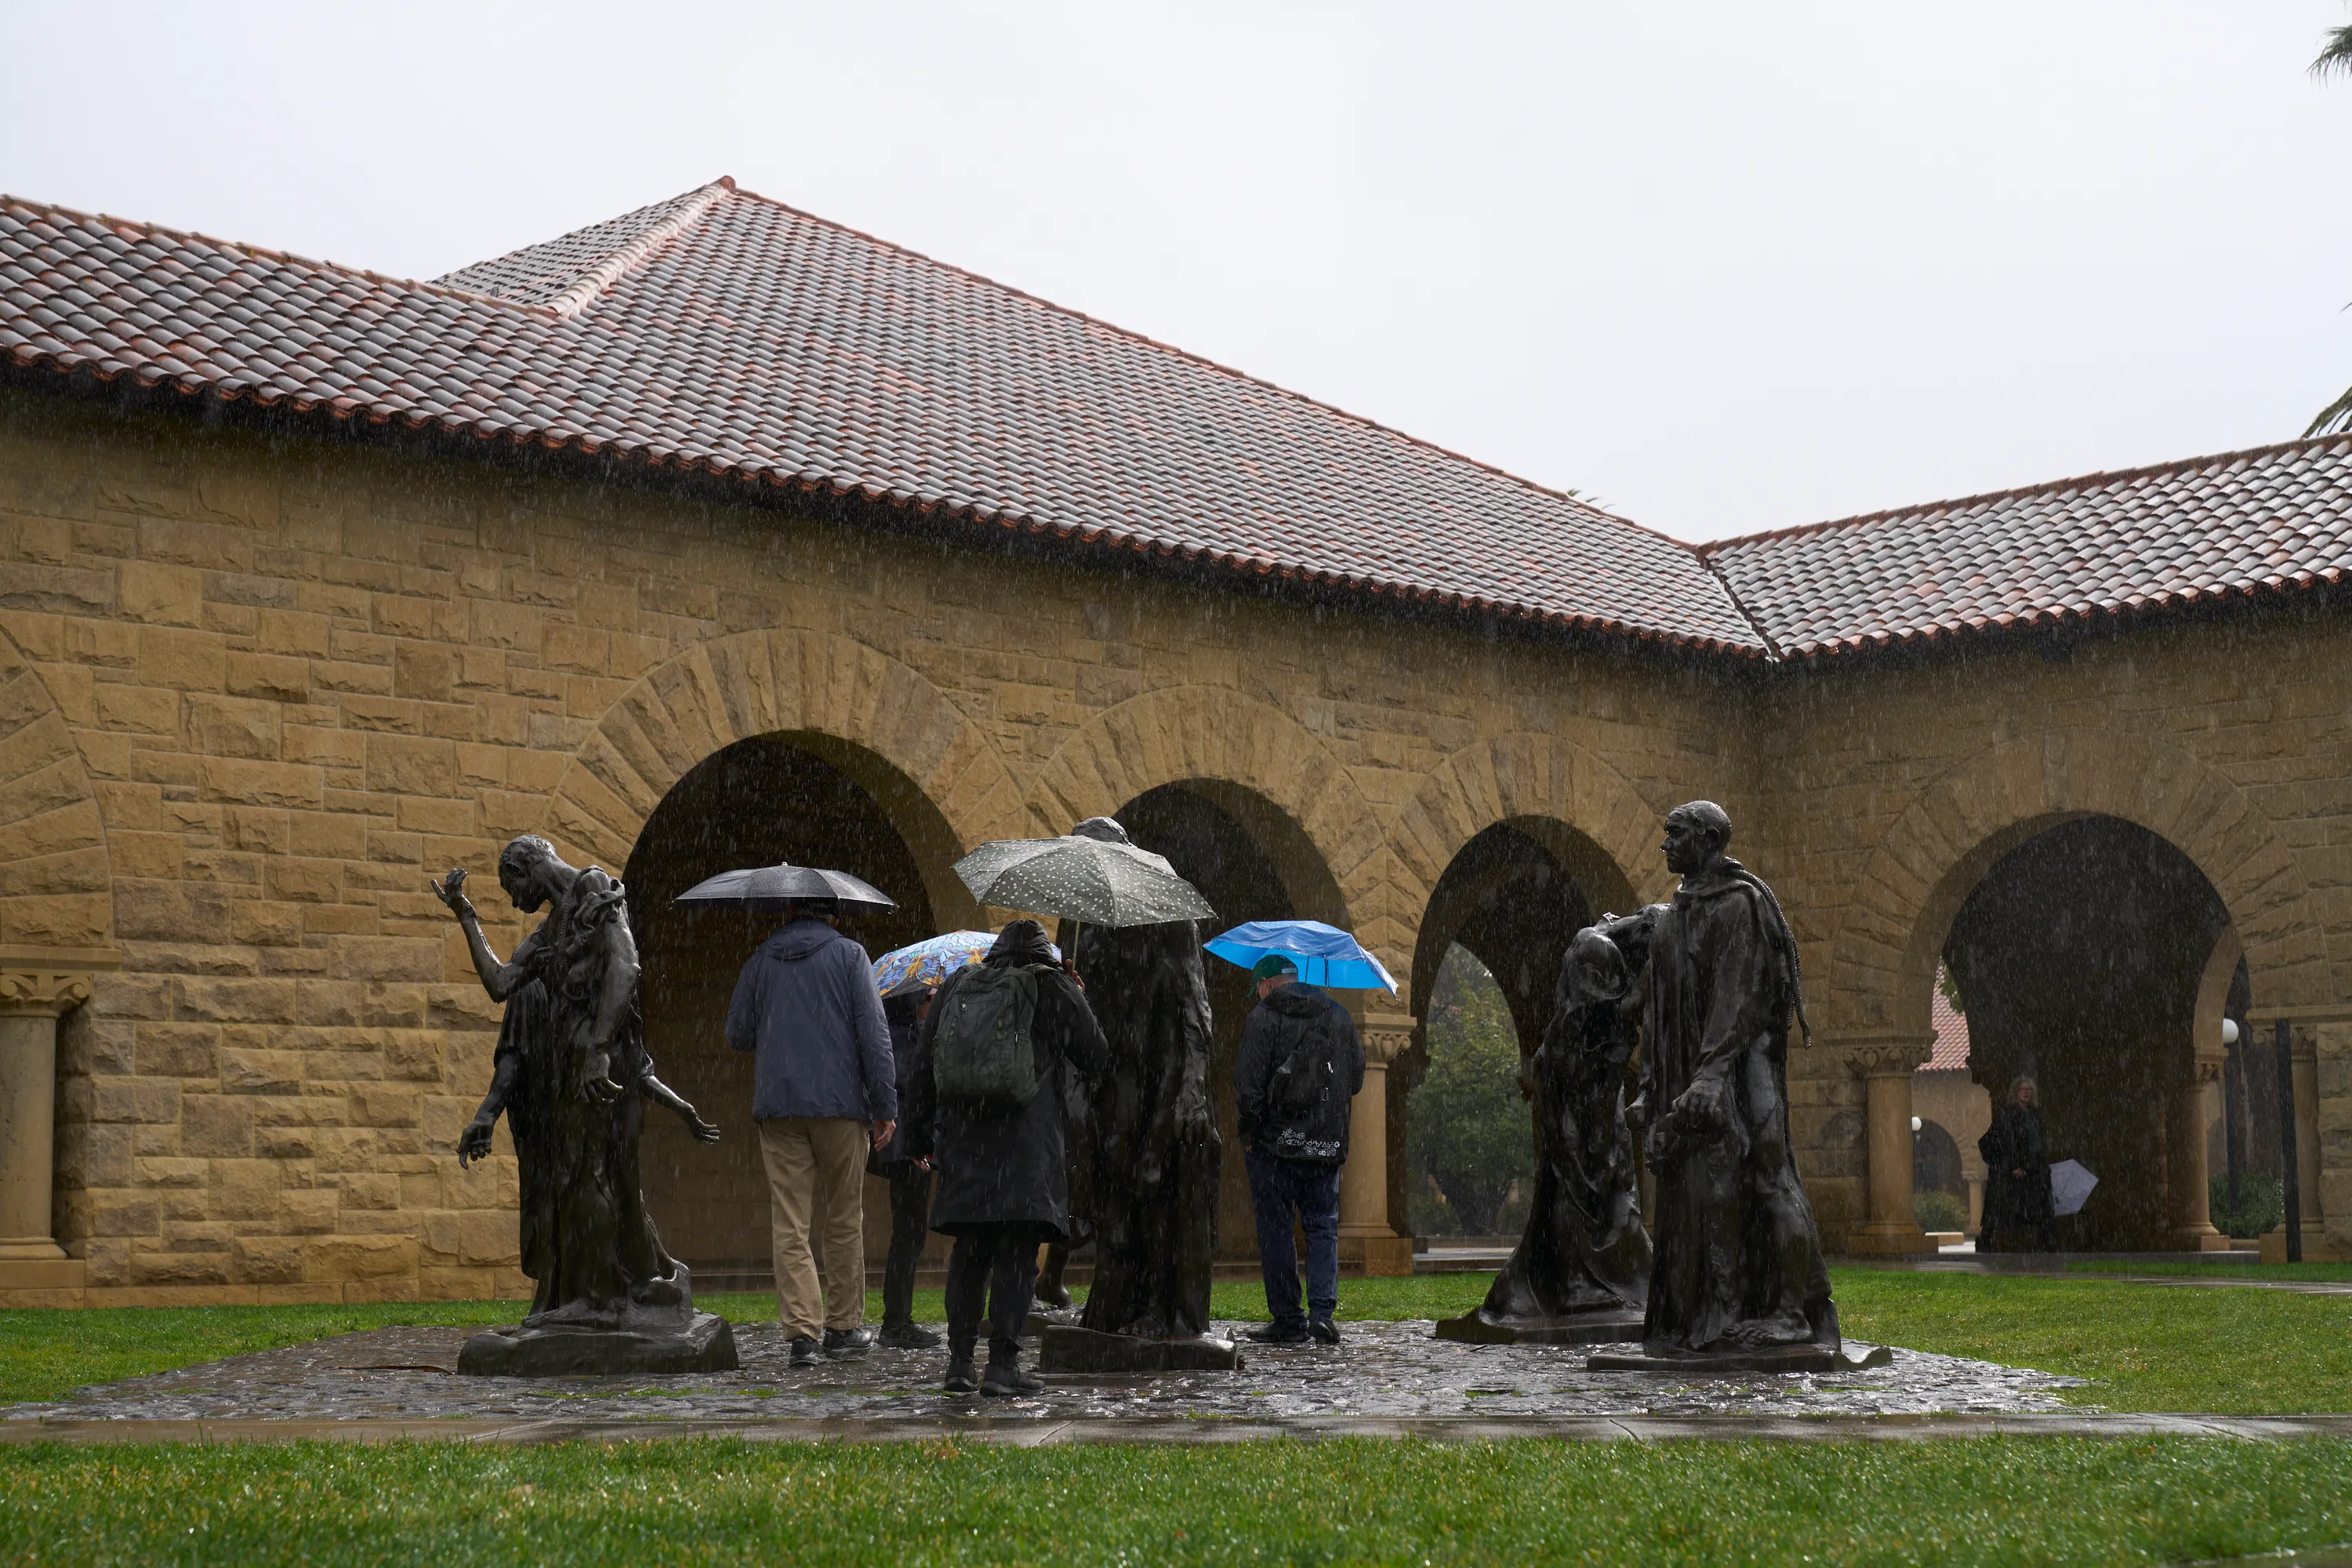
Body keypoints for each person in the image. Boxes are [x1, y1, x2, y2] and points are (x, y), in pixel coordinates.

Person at [436, 837, 720, 1330]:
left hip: (601, 1074)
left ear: (525, 869)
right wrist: (466, 917)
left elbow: (625, 966)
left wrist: (599, 1050)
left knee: (587, 1175)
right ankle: (629, 1285)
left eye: (511, 887)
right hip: (582, 1075)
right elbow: (502, 984)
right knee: (592, 1178)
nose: (513, 901)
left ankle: (600, 1299)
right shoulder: (552, 928)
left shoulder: (595, 889)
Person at [1636, 800, 1838, 1356]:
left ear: (1708, 839)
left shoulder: (1740, 904)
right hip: (1696, 1069)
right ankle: (1702, 1310)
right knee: (1699, 1185)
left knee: (1769, 1176)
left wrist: (1713, 1071)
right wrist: (1650, 1087)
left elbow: (1740, 992)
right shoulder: (1675, 914)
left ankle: (1793, 1312)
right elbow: (1661, 1009)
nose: (1666, 844)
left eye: (1676, 834)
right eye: (1666, 834)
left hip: (1745, 1065)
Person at [904, 920, 1108, 1396]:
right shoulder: (1051, 985)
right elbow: (1096, 1054)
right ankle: (1002, 1366)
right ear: (1044, 954)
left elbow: (925, 1064)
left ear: (996, 952)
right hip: (1026, 1144)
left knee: (969, 1252)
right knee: (1017, 1254)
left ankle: (958, 1363)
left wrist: (917, 1136)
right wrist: (1078, 992)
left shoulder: (958, 984)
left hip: (965, 1140)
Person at [725, 897, 897, 1368]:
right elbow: (874, 1035)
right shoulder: (849, 955)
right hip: (842, 1107)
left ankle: (803, 1335)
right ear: (833, 916)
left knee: (790, 1222)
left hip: (780, 1107)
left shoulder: (761, 959)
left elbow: (738, 1033)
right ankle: (843, 1328)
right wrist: (885, 1106)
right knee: (844, 1216)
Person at [1072, 916, 1219, 1343]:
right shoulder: (1088, 922)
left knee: (1154, 1189)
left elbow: (1196, 1009)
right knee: (1116, 1196)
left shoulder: (1170, 920)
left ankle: (1160, 1308)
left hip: (1163, 1075)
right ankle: (1114, 1304)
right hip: (1117, 1076)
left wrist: (1192, 1089)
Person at [1235, 953, 1365, 1345]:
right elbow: (1356, 1078)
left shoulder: (1261, 1019)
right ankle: (1322, 1314)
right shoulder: (1338, 1015)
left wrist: (1250, 1134)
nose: (1257, 995)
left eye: (1257, 988)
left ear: (1270, 983)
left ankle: (1288, 1319)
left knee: (1277, 1231)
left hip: (1275, 1146)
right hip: (1326, 1144)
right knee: (1323, 1226)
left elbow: (1249, 1087)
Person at [870, 985, 942, 1348]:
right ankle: (896, 1320)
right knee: (909, 1232)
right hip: (907, 1148)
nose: (934, 1003)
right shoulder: (903, 1037)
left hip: (907, 1146)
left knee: (910, 1232)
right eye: (930, 998)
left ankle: (898, 1318)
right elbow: (908, 1087)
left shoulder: (904, 1034)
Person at [1978, 1075, 2055, 1251]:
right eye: (2023, 1089)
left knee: (2036, 1209)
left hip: (2032, 1171)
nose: (2026, 1093)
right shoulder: (2007, 1115)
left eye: (2029, 1090)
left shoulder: (2035, 1116)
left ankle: (2040, 1244)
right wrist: (2011, 1166)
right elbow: (1999, 1143)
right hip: (2010, 1173)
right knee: (2004, 1211)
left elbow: (2038, 1144)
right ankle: (1994, 1243)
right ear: (2016, 1092)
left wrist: (2034, 1166)